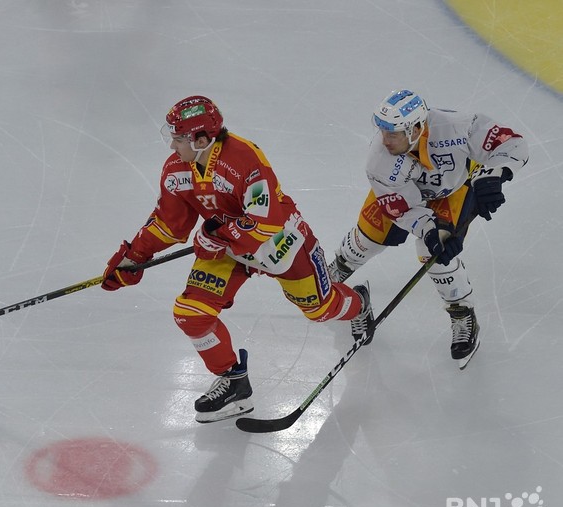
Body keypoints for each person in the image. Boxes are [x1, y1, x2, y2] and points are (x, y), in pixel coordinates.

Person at [101, 95, 374, 423]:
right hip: (227, 249)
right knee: (191, 314)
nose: (172, 146)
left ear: (202, 139)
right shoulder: (176, 169)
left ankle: (359, 303)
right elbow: (168, 224)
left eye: (179, 138)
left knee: (320, 309)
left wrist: (218, 235)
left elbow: (266, 220)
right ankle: (234, 382)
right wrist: (134, 257)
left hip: (279, 242)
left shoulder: (244, 157)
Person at [328, 89, 529, 369]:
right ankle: (340, 267)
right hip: (404, 195)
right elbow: (401, 209)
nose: (384, 140)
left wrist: (495, 174)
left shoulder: (459, 127)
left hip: (453, 189)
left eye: (393, 133)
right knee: (367, 238)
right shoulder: (379, 160)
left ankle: (461, 312)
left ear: (416, 128)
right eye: (383, 131)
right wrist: (427, 227)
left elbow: (513, 144)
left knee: (434, 255)